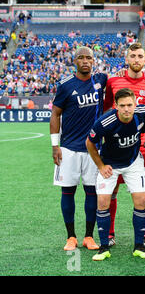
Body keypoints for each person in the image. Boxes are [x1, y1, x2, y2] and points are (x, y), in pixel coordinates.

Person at [86, 88, 145, 261]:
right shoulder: (105, 122)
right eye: (123, 106)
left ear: (135, 104)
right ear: (116, 106)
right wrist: (101, 165)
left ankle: (139, 246)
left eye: (130, 105)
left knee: (141, 200)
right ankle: (103, 248)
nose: (127, 109)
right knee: (102, 202)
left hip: (133, 162)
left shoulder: (141, 112)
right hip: (110, 164)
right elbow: (89, 143)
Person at [103, 42, 145, 248]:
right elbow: (106, 109)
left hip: (142, 149)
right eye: (133, 56)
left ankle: (141, 235)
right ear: (126, 59)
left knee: (142, 196)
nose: (137, 60)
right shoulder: (113, 80)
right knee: (111, 193)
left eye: (140, 56)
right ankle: (109, 234)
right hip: (114, 148)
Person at [50, 46, 107, 251]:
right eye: (81, 58)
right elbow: (55, 114)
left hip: (93, 149)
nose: (85, 61)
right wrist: (55, 146)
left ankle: (88, 237)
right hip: (69, 148)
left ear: (94, 61)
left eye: (89, 58)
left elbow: (124, 76)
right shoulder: (65, 85)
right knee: (68, 192)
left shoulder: (100, 80)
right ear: (75, 61)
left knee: (92, 192)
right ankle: (71, 237)